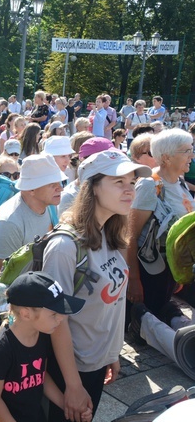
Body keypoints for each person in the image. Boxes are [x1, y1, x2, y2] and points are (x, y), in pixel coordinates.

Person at [42, 150, 151, 422]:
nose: (130, 191)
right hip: (71, 368)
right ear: (92, 187)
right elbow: (57, 320)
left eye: (132, 183)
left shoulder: (110, 234)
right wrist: (73, 385)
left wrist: (110, 354)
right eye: (119, 182)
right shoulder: (64, 247)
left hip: (96, 361)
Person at [0, 153, 66, 337]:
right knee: (1, 339)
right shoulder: (8, 222)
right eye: (51, 184)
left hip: (24, 276)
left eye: (59, 182)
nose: (60, 188)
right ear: (30, 189)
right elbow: (6, 281)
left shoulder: (50, 204)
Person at [0, 272, 87, 422]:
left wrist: (66, 405)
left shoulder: (43, 335)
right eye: (54, 314)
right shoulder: (0, 350)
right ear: (26, 314)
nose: (62, 318)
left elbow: (40, 375)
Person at [127, 129, 195, 329]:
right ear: (166, 157)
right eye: (186, 151)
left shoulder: (180, 183)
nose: (191, 155)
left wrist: (179, 271)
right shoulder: (150, 185)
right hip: (151, 271)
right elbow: (130, 237)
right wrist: (134, 280)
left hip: (171, 268)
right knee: (150, 319)